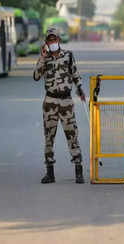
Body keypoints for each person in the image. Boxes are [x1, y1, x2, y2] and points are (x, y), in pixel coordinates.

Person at [33, 27, 85, 184]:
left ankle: (78, 171)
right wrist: (42, 58)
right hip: (50, 102)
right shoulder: (44, 58)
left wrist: (80, 89)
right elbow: (36, 76)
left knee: (72, 135)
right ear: (46, 42)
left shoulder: (68, 56)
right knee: (49, 137)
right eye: (49, 40)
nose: (52, 42)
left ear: (58, 40)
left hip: (66, 102)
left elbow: (75, 74)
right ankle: (50, 172)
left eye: (54, 39)